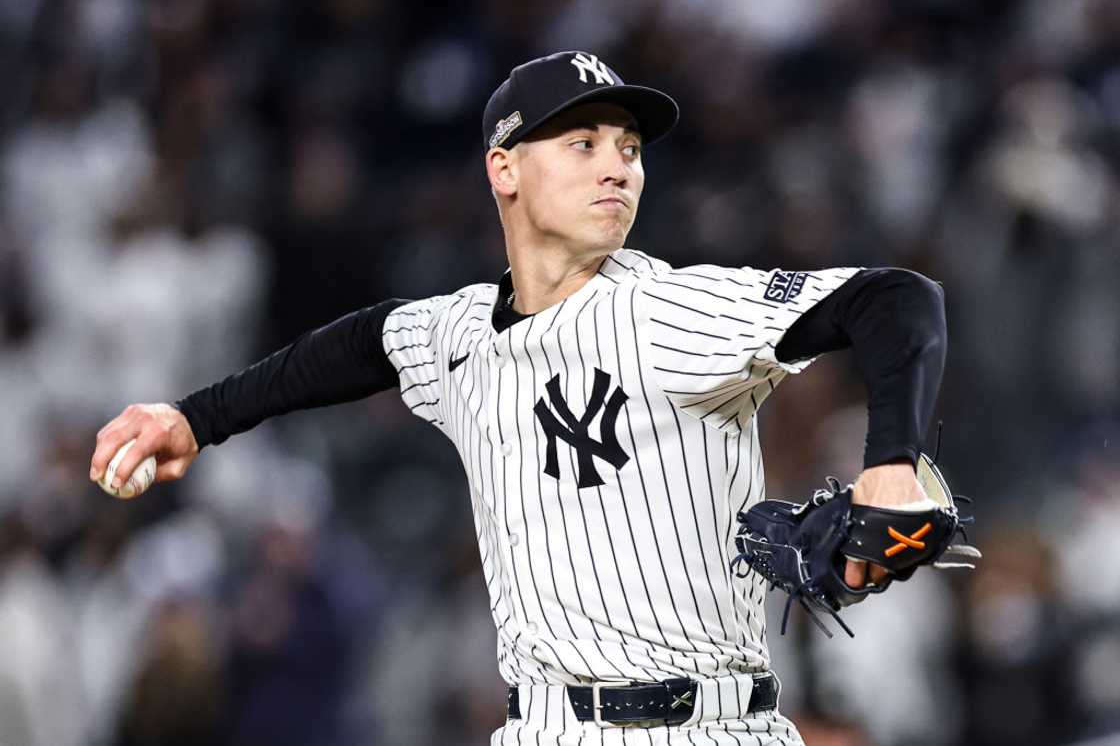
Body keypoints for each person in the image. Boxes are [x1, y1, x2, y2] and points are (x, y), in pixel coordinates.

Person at [89, 51, 947, 744]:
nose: (618, 167)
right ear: (504, 167)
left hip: (707, 725)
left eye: (630, 148)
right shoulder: (459, 335)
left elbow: (897, 298)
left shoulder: (672, 309)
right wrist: (195, 418)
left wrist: (892, 463)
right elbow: (353, 347)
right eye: (584, 143)